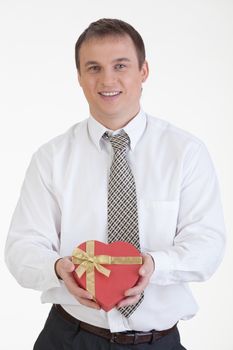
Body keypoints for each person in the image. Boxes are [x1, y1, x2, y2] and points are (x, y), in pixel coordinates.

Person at [5, 18, 225, 350]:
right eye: (93, 68)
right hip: (70, 337)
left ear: (143, 71)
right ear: (79, 77)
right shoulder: (51, 158)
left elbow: (207, 245)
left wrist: (154, 265)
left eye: (120, 65)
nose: (107, 80)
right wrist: (57, 269)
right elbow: (22, 247)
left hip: (158, 342)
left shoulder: (185, 153)